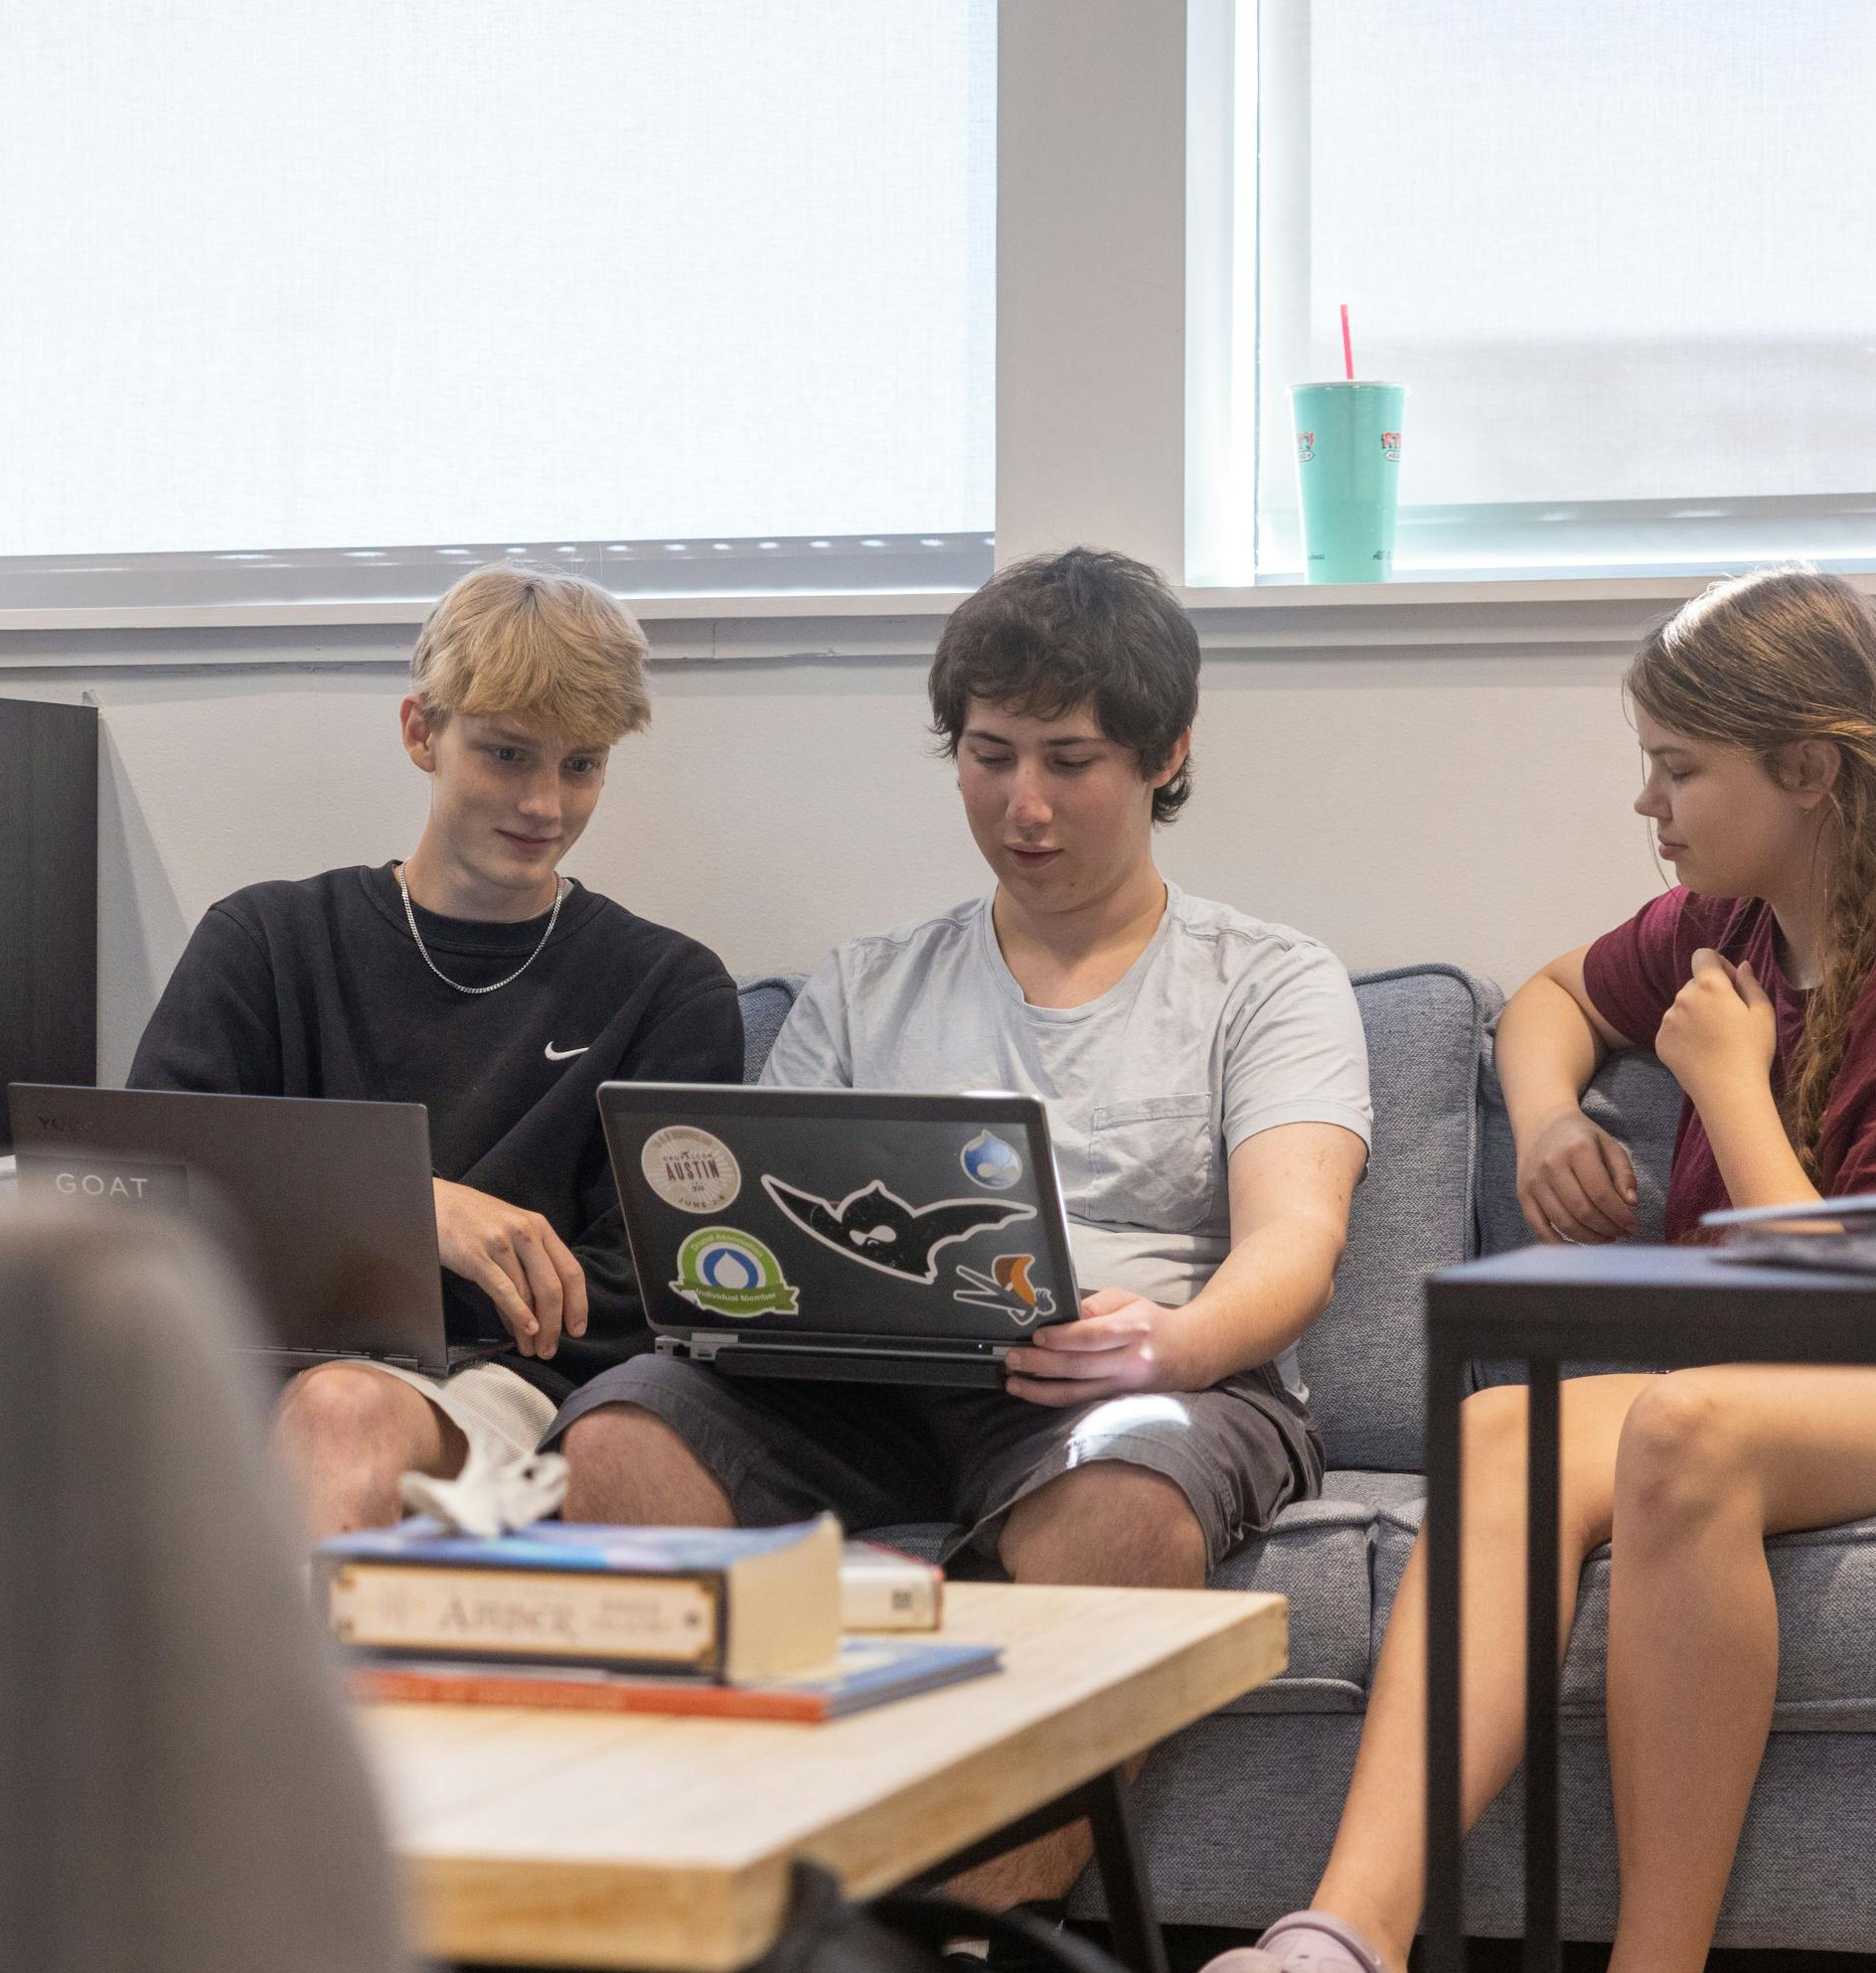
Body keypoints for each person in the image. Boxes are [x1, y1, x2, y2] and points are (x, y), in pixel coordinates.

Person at [1177, 565, 1876, 1973]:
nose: (1647, 802)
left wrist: (1724, 1074)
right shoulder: (1739, 915)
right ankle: (1352, 1950)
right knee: (1501, 1430)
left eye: (1676, 767)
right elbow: (1554, 998)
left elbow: (1874, 1311)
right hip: (1851, 1362)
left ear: (1809, 771)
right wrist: (1561, 1113)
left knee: (1689, 1425)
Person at [554, 543, 1372, 1695]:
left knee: (1121, 1504)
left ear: (1167, 752)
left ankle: (955, 1887)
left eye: (1070, 760)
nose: (1023, 804)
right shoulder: (865, 986)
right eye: (990, 756)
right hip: (863, 1388)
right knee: (620, 1436)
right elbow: (760, 1216)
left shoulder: (1268, 978)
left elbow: (1298, 1240)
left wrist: (1170, 1343)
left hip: (1149, 1387)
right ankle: (711, 1856)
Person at [126, 565, 747, 1536]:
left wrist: (364, 1273)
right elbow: (144, 1195)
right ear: (422, 731)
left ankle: (283, 1693)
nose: (545, 802)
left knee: (345, 1409)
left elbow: (659, 1290)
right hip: (237, 1371)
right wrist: (413, 1216)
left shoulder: (669, 987)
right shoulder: (263, 939)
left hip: (505, 1392)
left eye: (581, 765)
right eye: (506, 754)